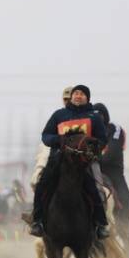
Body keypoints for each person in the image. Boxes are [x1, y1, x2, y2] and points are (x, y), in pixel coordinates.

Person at [29, 84, 110, 239]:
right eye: (76, 93)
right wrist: (58, 140)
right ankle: (37, 222)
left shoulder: (94, 117)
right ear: (71, 97)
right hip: (59, 160)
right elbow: (45, 135)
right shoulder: (59, 115)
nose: (78, 96)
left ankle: (101, 225)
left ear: (87, 98)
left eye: (82, 94)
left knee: (96, 190)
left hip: (84, 163)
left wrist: (93, 148)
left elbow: (102, 140)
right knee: (42, 184)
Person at [93, 102, 129, 217]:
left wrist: (96, 159)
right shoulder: (88, 131)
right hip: (92, 169)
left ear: (105, 116)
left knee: (124, 198)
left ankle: (126, 228)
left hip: (112, 171)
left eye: (99, 115)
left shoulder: (115, 128)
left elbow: (112, 151)